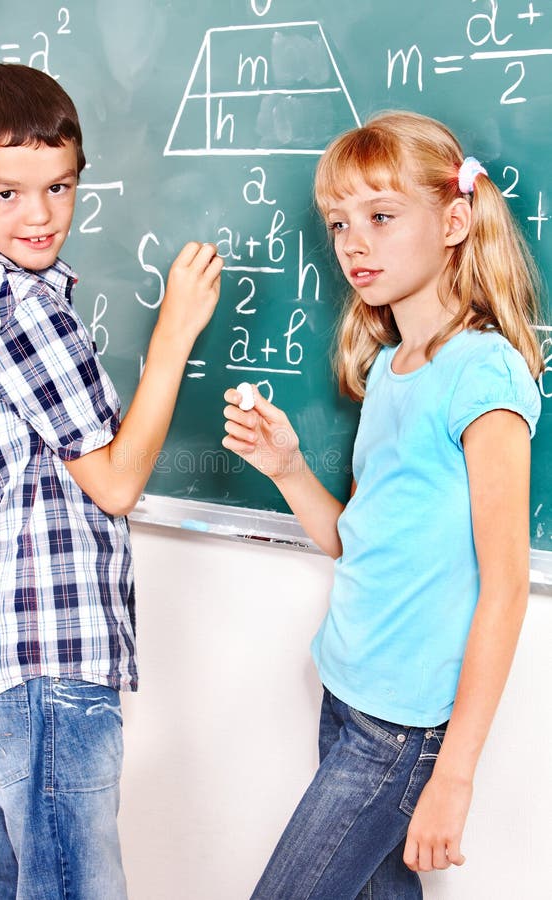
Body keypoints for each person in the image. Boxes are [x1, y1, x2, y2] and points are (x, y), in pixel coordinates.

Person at [222, 110, 543, 898]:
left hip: (400, 733)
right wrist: (289, 468)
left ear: (454, 220)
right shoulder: (393, 368)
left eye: (380, 216)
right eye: (338, 222)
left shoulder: (483, 375)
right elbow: (355, 541)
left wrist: (454, 777)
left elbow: (503, 588)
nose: (352, 242)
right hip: (345, 692)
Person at [0, 63, 222, 899]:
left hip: (9, 658)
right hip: (43, 657)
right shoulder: (22, 310)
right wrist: (173, 334)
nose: (40, 215)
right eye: (8, 194)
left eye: (58, 187)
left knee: (27, 876)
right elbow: (117, 484)